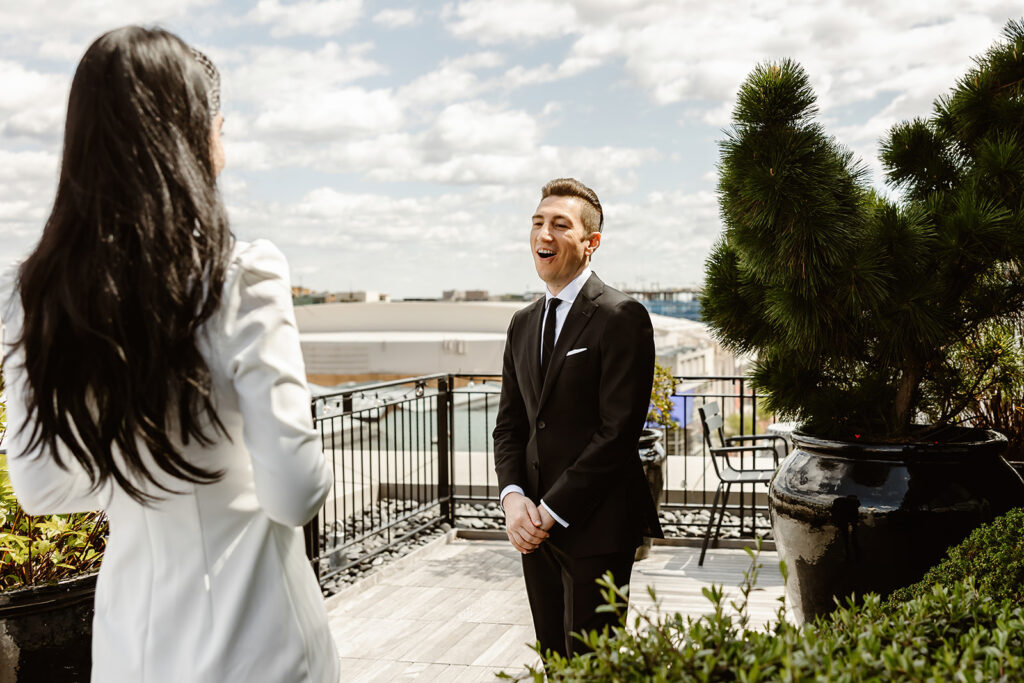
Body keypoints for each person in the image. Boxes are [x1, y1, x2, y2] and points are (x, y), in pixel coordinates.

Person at [0, 27, 339, 682]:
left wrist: (142, 470)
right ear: (194, 135)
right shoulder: (241, 274)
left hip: (133, 648)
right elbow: (296, 491)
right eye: (220, 127)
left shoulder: (35, 292)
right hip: (260, 640)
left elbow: (40, 487)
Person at [492, 177, 663, 658]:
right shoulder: (521, 323)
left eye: (560, 225)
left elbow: (617, 432)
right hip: (532, 530)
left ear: (591, 243)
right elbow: (510, 425)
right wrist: (513, 501)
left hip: (598, 525)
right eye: (537, 223)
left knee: (593, 667)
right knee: (554, 660)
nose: (543, 234)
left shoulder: (622, 315)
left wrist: (549, 511)